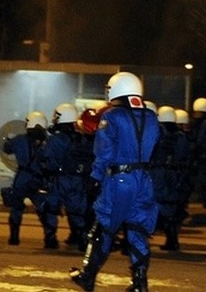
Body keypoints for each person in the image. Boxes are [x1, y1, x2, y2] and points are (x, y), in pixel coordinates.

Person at [69, 71, 160, 292]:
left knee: (103, 227)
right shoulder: (151, 116)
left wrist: (95, 177)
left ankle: (87, 276)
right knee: (137, 229)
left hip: (120, 179)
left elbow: (104, 151)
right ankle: (140, 282)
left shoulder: (112, 116)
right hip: (143, 180)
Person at [43, 102, 94, 250]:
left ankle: (51, 239)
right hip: (79, 180)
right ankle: (83, 241)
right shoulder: (82, 138)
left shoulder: (56, 139)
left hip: (60, 179)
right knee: (78, 212)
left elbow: (47, 157)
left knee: (51, 209)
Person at [1, 110, 56, 246]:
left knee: (16, 207)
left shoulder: (19, 140)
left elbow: (6, 148)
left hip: (22, 178)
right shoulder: (48, 142)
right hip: (39, 179)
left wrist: (8, 140)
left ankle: (14, 237)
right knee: (44, 208)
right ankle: (50, 238)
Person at [151, 105, 190, 251]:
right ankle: (172, 239)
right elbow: (184, 156)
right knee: (170, 206)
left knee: (149, 204)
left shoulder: (158, 133)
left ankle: (136, 241)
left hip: (157, 172)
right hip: (174, 174)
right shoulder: (180, 136)